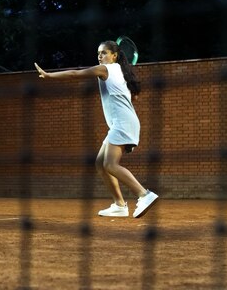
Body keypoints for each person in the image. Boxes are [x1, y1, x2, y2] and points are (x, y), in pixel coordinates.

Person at [34, 40, 158, 218]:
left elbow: (75, 74)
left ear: (114, 56)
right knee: (101, 163)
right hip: (122, 122)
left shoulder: (106, 69)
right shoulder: (123, 73)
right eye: (98, 53)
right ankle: (120, 205)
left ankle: (145, 195)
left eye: (104, 53)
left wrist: (49, 76)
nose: (100, 56)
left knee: (110, 164)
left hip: (123, 123)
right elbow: (133, 97)